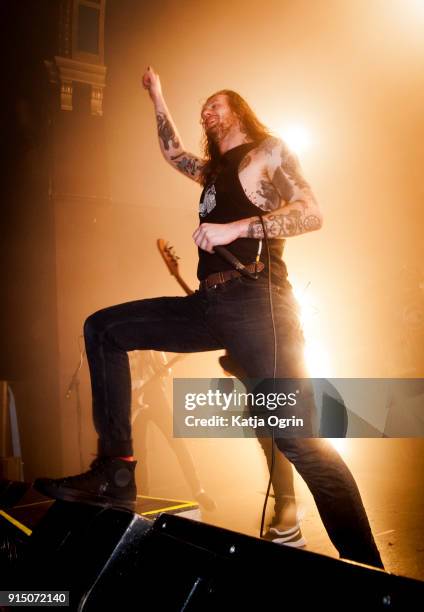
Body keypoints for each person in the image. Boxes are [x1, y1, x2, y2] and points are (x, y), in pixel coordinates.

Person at [34, 66, 383, 568]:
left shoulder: (268, 152)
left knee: (296, 439)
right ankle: (117, 471)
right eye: (203, 108)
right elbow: (174, 153)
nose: (207, 112)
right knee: (103, 327)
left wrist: (234, 228)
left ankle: (374, 573)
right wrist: (158, 97)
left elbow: (312, 212)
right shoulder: (213, 172)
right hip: (209, 305)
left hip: (259, 302)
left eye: (215, 104)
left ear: (238, 110)